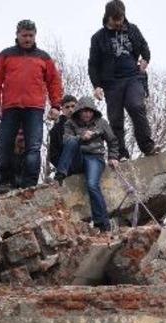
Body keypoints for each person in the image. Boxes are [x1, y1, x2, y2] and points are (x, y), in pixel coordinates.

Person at [0, 19, 64, 189]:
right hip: (10, 106)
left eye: (30, 35)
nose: (27, 39)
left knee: (33, 147)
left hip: (34, 107)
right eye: (24, 35)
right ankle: (4, 181)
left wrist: (55, 105)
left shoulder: (43, 57)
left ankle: (30, 184)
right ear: (17, 35)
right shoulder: (5, 55)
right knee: (5, 144)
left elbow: (54, 82)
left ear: (35, 36)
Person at [88, 0, 157, 159]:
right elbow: (93, 64)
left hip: (133, 77)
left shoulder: (132, 29)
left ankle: (147, 146)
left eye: (121, 19)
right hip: (111, 82)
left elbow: (144, 46)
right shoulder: (98, 38)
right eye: (116, 20)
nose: (119, 23)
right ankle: (121, 153)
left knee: (136, 106)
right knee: (115, 118)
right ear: (108, 18)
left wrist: (146, 59)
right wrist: (96, 85)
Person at [55, 96, 120, 233]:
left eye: (90, 111)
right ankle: (60, 174)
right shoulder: (70, 123)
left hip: (95, 157)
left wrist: (113, 157)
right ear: (79, 111)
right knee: (72, 141)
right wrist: (81, 137)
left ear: (93, 112)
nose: (87, 114)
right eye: (84, 111)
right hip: (77, 157)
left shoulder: (101, 122)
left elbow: (113, 141)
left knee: (92, 184)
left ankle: (102, 224)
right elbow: (66, 141)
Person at [47, 95, 77, 169]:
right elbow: (53, 155)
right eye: (67, 107)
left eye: (73, 106)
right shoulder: (56, 130)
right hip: (67, 168)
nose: (70, 109)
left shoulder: (87, 123)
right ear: (62, 110)